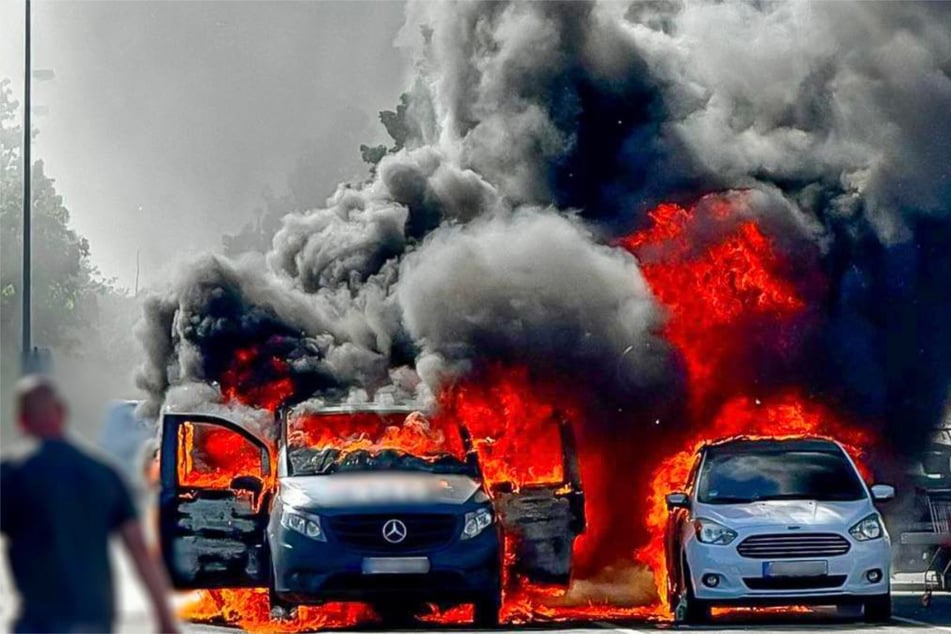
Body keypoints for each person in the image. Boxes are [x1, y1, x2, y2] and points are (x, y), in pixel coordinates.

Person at [0, 375, 180, 633]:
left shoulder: (12, 474)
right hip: (94, 622)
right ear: (62, 413)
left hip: (38, 623)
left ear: (21, 420)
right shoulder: (103, 474)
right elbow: (140, 551)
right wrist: (165, 620)